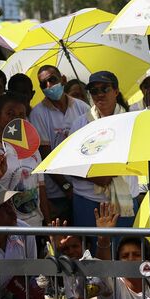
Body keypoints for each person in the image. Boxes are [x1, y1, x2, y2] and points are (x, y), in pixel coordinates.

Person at [68, 71, 138, 236]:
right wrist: (99, 177)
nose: (99, 94)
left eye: (104, 88)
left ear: (116, 91)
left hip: (125, 202)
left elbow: (137, 159)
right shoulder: (80, 124)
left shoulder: (132, 121)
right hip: (87, 201)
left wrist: (111, 171)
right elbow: (68, 166)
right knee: (91, 257)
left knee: (124, 255)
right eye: (94, 90)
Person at [0, 92, 49, 227]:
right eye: (10, 114)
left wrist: (48, 226)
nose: (16, 120)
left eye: (21, 115)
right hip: (5, 229)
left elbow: (41, 188)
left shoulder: (33, 149)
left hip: (35, 227)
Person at [29, 65, 90, 222]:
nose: (49, 85)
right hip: (56, 192)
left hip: (83, 186)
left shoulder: (82, 107)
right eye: (44, 84)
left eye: (52, 80)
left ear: (63, 79)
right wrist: (65, 186)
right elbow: (45, 154)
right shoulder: (38, 113)